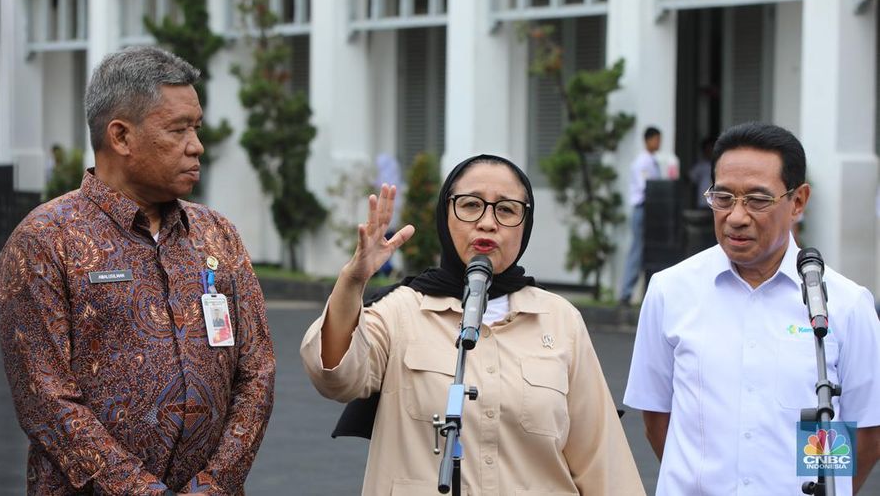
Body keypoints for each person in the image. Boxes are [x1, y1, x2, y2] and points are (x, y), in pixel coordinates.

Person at [0, 46, 275, 495]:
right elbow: (44, 397)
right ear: (121, 137)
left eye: (196, 128)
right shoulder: (47, 240)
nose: (196, 145)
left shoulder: (218, 235)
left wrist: (215, 483)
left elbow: (257, 370)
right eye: (178, 129)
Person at [300, 154, 645, 495]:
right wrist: (352, 282)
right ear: (445, 214)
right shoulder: (400, 312)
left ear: (526, 225)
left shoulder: (559, 320)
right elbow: (334, 376)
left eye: (507, 209)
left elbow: (602, 458)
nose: (487, 222)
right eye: (470, 206)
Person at [623, 122, 880, 495]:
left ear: (798, 201)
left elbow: (865, 432)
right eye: (723, 198)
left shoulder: (843, 305)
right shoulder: (671, 291)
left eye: (757, 200)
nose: (737, 216)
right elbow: (656, 419)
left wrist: (818, 487)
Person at [619, 126, 662, 305]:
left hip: (649, 209)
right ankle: (626, 293)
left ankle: (639, 292)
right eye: (656, 139)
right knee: (637, 251)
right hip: (642, 208)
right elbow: (646, 186)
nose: (658, 143)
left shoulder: (651, 160)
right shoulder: (643, 162)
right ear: (648, 140)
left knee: (646, 251)